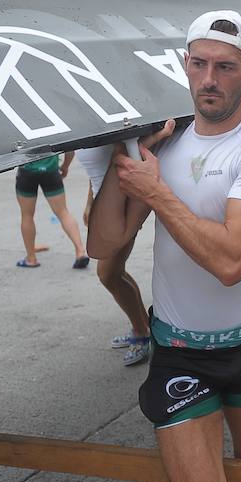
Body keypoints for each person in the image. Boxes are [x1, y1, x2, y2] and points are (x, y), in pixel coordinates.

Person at [88, 10, 241, 482]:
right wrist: (122, 158)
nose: (210, 78)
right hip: (180, 350)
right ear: (184, 65)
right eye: (199, 63)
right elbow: (103, 240)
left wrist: (157, 193)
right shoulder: (163, 143)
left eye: (225, 67)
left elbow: (232, 261)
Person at [78, 145, 152, 366]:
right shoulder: (86, 125)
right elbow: (97, 170)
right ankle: (144, 326)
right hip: (105, 206)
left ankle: (142, 332)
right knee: (116, 272)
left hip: (122, 207)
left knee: (108, 274)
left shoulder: (115, 123)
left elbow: (132, 158)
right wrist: (91, 202)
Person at [14, 152, 88, 269]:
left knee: (27, 215)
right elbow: (69, 150)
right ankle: (80, 251)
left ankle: (31, 258)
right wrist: (65, 166)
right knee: (63, 212)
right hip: (51, 171)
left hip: (27, 171)